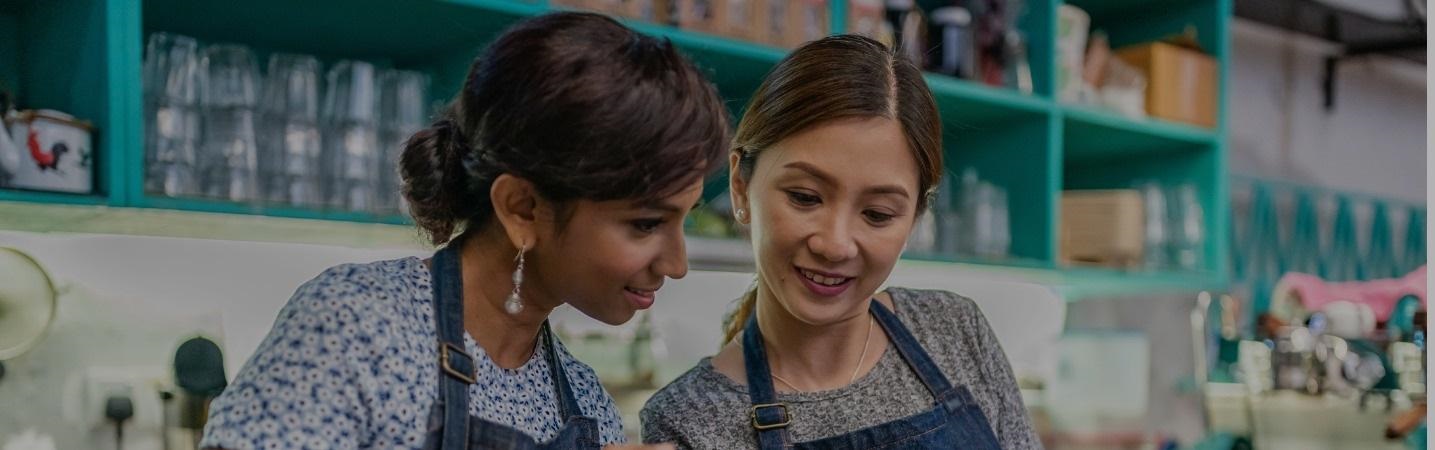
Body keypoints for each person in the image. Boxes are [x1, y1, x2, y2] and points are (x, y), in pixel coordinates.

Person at [201, 12, 729, 450]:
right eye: (645, 224)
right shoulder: (355, 328)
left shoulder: (586, 403)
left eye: (683, 219)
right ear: (522, 208)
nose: (676, 264)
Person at [640, 35, 1040, 449]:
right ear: (741, 187)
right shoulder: (688, 420)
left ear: (916, 218)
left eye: (878, 214)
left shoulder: (954, 331)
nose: (835, 245)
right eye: (805, 197)